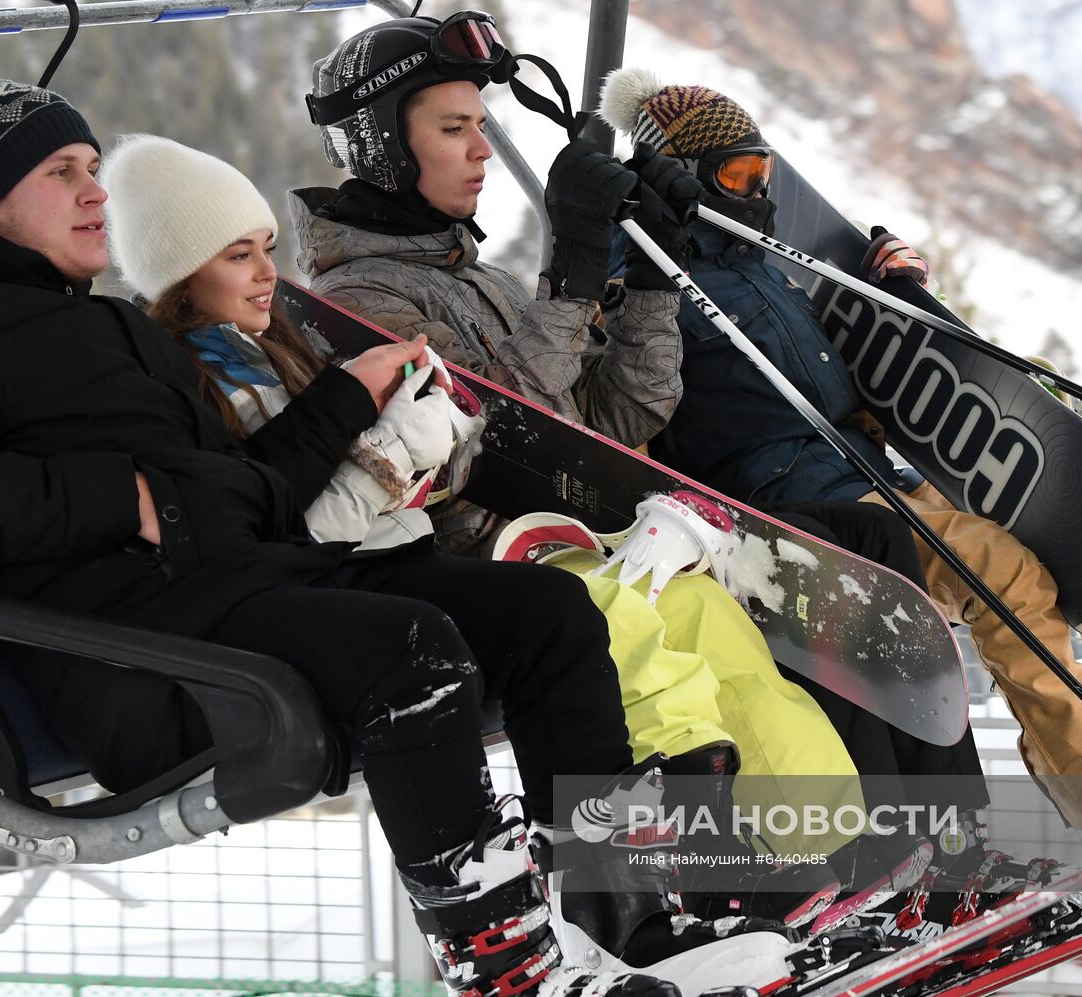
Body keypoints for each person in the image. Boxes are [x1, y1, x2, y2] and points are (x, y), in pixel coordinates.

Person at [0, 65, 708, 997]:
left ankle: (625, 918)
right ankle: (507, 963)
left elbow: (247, 493)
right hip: (137, 651)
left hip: (247, 588)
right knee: (408, 648)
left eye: (93, 165)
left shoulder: (121, 334)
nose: (95, 189)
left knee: (549, 612)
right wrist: (126, 497)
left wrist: (346, 397)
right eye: (61, 171)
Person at [290, 13, 1005, 936]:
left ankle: (899, 861)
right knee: (722, 604)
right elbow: (493, 444)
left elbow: (618, 423)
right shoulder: (361, 303)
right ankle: (771, 884)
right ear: (385, 151)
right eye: (452, 129)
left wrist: (653, 281)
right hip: (505, 557)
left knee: (835, 574)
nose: (478, 150)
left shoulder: (484, 285)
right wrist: (576, 271)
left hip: (601, 533)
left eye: (480, 124)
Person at [597, 67, 1082, 893]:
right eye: (735, 176)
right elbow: (633, 406)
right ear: (680, 178)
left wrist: (902, 300)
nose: (758, 190)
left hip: (870, 463)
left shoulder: (762, 261)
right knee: (1003, 573)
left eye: (764, 171)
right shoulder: (647, 282)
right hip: (799, 501)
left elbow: (854, 365)